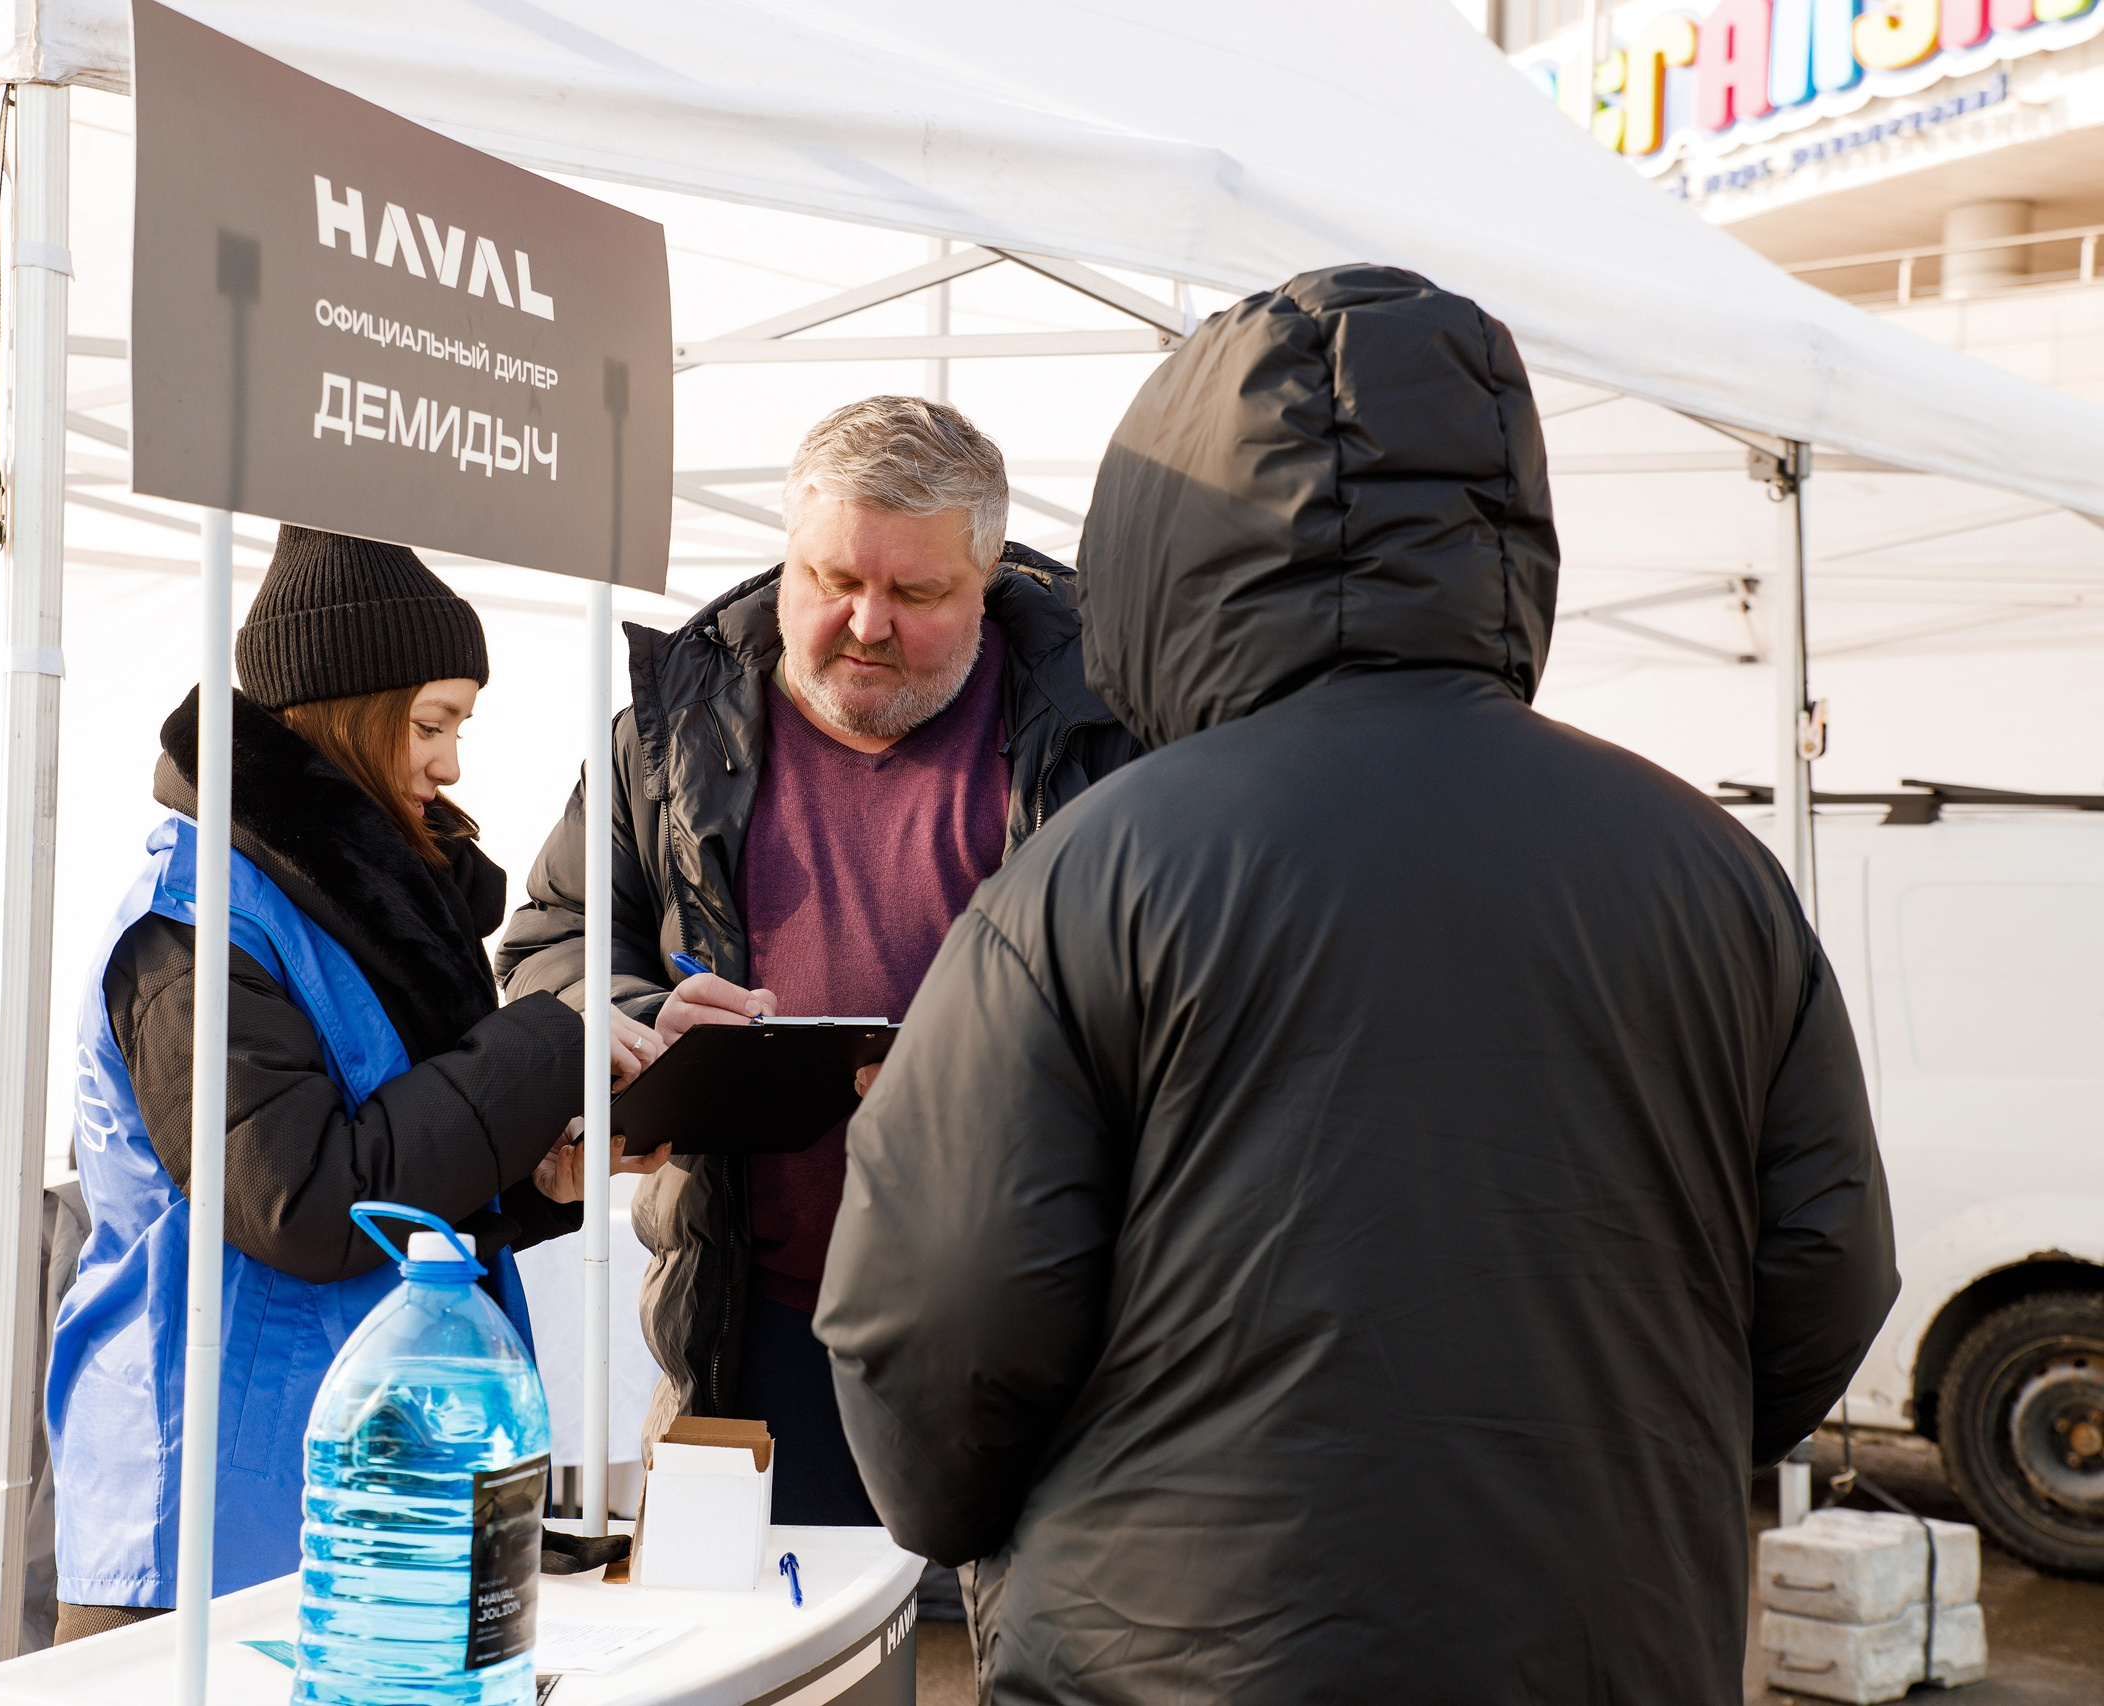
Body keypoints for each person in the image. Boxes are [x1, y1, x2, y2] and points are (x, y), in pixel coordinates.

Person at [814, 267, 1900, 1702]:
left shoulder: (1093, 875)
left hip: (1174, 1653)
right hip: (1607, 1641)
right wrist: (1634, 1450)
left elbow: (934, 1328)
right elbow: (1826, 1270)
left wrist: (976, 1524)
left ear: (1164, 542)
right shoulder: (1712, 869)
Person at [496, 397, 1140, 1525]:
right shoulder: (668, 735)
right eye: (831, 578)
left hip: (1048, 1336)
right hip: (753, 1326)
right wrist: (635, 1014)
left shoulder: (1109, 734)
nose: (865, 622)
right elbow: (555, 937)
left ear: (987, 579)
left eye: (917, 593)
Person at [46, 526, 664, 1642]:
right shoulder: (193, 926)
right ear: (341, 716)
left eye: (460, 726)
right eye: (431, 723)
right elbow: (306, 1199)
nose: (452, 763)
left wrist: (538, 1180)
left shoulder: (340, 911)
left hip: (365, 1487)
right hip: (212, 1513)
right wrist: (546, 1040)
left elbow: (393, 1166)